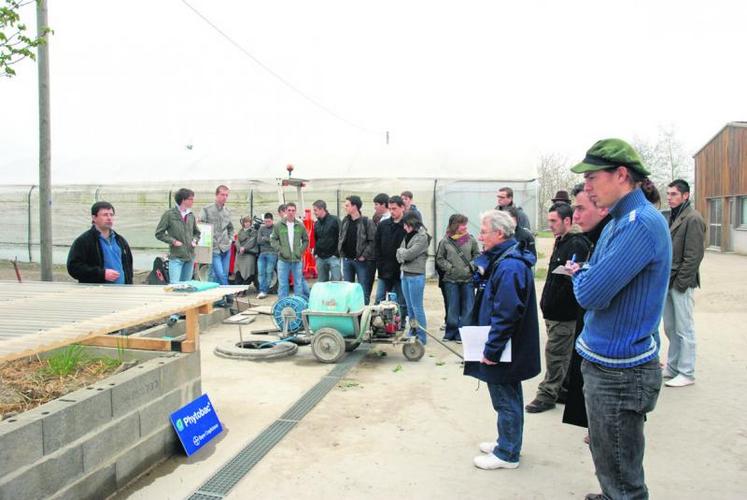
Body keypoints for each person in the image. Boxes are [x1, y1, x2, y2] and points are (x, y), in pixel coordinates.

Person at [565, 138, 671, 500]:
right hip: (607, 365)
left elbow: (590, 293)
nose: (587, 186)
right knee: (608, 456)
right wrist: (588, 274)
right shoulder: (619, 220)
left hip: (620, 373)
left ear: (622, 174)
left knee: (624, 475)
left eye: (593, 176)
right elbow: (596, 281)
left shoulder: (639, 224)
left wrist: (578, 273)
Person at [465, 209, 540, 470]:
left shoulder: (509, 266)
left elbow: (506, 313)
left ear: (499, 233)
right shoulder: (502, 259)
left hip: (505, 347)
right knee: (507, 395)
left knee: (505, 398)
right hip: (505, 344)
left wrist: (492, 350)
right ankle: (507, 441)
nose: (480, 236)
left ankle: (507, 453)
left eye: (484, 231)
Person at [525, 203, 591, 413]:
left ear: (568, 221)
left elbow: (573, 280)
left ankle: (547, 394)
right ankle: (563, 388)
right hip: (554, 311)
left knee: (556, 354)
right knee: (562, 354)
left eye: (554, 221)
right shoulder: (562, 241)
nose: (550, 225)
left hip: (565, 313)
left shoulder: (577, 244)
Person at [562, 183, 611, 432]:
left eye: (581, 208)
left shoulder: (612, 235)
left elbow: (590, 295)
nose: (576, 216)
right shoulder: (595, 237)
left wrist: (580, 275)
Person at [662, 178, 706, 388]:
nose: (669, 198)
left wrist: (680, 284)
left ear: (685, 195)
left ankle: (687, 372)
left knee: (684, 328)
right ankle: (672, 367)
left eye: (673, 194)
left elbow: (694, 256)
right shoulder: (673, 216)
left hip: (681, 283)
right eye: (668, 194)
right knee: (671, 327)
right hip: (669, 281)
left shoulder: (693, 218)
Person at [435, 214, 479, 342]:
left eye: (466, 224)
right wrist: (450, 268)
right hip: (451, 280)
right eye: (462, 224)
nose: (465, 227)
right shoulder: (445, 241)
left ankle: (463, 334)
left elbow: (477, 255)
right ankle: (450, 333)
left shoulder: (470, 239)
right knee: (452, 307)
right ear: (455, 225)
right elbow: (440, 258)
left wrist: (470, 267)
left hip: (468, 280)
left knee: (468, 308)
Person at [67, 201, 133, 284]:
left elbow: (128, 268)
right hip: (97, 293)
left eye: (111, 215)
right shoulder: (84, 241)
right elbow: (74, 267)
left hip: (121, 292)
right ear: (94, 218)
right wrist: (102, 273)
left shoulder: (120, 241)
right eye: (105, 215)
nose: (109, 218)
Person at [396, 212, 430, 344]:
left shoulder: (422, 237)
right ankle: (413, 331)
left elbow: (408, 254)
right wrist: (402, 253)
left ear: (412, 223)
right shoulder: (407, 235)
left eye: (405, 224)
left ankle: (422, 337)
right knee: (410, 307)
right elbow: (399, 254)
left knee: (417, 307)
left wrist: (402, 253)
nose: (404, 227)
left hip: (416, 276)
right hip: (404, 273)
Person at [155, 188, 200, 284]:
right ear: (183, 200)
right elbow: (159, 233)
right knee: (174, 286)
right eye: (191, 199)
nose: (193, 201)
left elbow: (197, 233)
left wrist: (195, 240)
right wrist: (173, 241)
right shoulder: (169, 215)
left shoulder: (191, 215)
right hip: (176, 257)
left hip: (190, 257)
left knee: (186, 286)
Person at [338, 195, 377, 304]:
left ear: (355, 206)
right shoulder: (345, 221)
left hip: (361, 262)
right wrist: (341, 252)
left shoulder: (366, 222)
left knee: (363, 288)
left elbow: (373, 241)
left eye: (347, 205)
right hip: (347, 260)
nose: (345, 207)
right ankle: (350, 312)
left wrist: (364, 255)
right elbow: (341, 237)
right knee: (347, 289)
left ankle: (364, 314)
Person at [374, 195, 408, 318]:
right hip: (384, 269)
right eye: (390, 209)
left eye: (394, 208)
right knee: (379, 299)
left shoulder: (407, 226)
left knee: (402, 301)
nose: (392, 211)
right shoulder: (383, 225)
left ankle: (402, 323)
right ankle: (377, 323)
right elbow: (377, 245)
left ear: (402, 208)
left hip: (401, 270)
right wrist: (379, 264)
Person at [270, 202, 310, 299]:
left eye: (293, 210)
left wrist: (300, 251)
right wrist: (280, 250)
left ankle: (298, 305)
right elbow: (273, 239)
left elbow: (306, 240)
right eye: (289, 210)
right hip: (283, 260)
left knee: (298, 283)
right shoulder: (279, 225)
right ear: (286, 211)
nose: (291, 212)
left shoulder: (300, 225)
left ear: (295, 211)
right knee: (283, 284)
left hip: (297, 260)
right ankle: (283, 304)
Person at [200, 185, 234, 287]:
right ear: (216, 195)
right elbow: (201, 226)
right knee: (220, 274)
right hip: (213, 247)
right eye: (222, 194)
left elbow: (230, 228)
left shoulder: (227, 211)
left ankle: (219, 299)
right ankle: (228, 296)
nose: (225, 197)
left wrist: (231, 239)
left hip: (226, 247)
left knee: (221, 274)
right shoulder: (206, 209)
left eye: (226, 195)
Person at [312, 200, 341, 282]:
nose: (314, 212)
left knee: (336, 282)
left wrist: (337, 253)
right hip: (320, 258)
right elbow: (316, 239)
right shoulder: (316, 224)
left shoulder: (335, 220)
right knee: (322, 283)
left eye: (315, 210)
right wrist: (316, 253)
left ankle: (335, 295)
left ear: (322, 209)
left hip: (333, 257)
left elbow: (342, 236)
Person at [256, 212, 277, 299]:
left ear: (272, 221)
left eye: (268, 221)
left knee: (269, 272)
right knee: (261, 272)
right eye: (265, 221)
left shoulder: (276, 228)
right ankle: (262, 290)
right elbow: (259, 241)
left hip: (272, 253)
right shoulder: (261, 229)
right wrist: (268, 239)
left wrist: (266, 239)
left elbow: (275, 242)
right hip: (262, 253)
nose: (267, 223)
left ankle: (265, 290)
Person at [234, 215, 258, 286]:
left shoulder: (253, 232)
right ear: (243, 223)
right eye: (245, 222)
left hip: (248, 254)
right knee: (238, 272)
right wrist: (239, 248)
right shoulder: (240, 231)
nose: (247, 223)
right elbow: (237, 241)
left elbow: (252, 241)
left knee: (248, 272)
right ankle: (238, 289)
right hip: (240, 254)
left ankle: (243, 290)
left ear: (250, 223)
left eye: (248, 222)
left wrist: (244, 248)